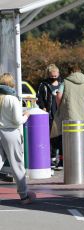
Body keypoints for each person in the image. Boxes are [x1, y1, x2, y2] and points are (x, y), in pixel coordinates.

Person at [0, 73, 36, 204]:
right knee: (17, 165)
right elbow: (17, 120)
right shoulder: (12, 99)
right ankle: (24, 196)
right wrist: (26, 115)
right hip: (11, 133)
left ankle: (24, 195)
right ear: (11, 84)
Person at [51, 62, 84, 152]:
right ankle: (78, 156)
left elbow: (58, 96)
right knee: (80, 137)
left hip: (69, 114)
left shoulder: (65, 82)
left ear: (70, 72)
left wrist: (60, 106)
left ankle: (66, 158)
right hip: (83, 115)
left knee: (67, 137)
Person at [37, 64, 62, 169]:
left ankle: (60, 160)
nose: (54, 78)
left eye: (55, 75)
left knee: (60, 138)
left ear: (58, 74)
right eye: (52, 76)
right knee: (50, 138)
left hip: (60, 115)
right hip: (49, 115)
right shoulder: (43, 85)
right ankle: (51, 158)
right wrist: (43, 108)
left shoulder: (62, 84)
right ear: (48, 75)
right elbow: (40, 98)